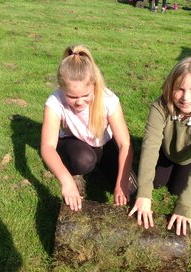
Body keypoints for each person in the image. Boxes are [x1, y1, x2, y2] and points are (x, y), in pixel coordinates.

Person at [128, 57, 191, 236]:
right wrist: (143, 194)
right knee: (156, 183)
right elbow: (150, 146)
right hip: (166, 151)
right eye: (180, 89)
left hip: (189, 157)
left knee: (178, 190)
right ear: (170, 87)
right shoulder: (160, 106)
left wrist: (185, 206)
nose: (186, 97)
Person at [41, 45, 135, 211]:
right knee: (84, 160)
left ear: (94, 86)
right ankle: (75, 173)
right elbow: (48, 147)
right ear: (61, 89)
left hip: (103, 144)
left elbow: (124, 144)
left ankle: (102, 169)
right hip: (74, 143)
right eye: (71, 96)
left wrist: (121, 182)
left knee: (132, 188)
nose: (79, 102)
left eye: (85, 95)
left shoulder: (108, 99)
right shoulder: (54, 101)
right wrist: (66, 180)